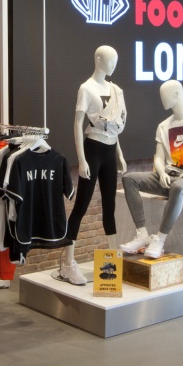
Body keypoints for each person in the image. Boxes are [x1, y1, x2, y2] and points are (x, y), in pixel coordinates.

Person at [119, 81, 183, 259]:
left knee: (178, 188)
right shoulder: (163, 126)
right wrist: (161, 173)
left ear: (177, 94)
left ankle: (159, 239)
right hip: (167, 176)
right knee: (129, 179)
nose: (161, 99)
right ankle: (142, 235)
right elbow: (158, 157)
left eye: (165, 94)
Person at [58, 46, 127, 285]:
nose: (114, 65)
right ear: (98, 59)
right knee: (81, 207)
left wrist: (119, 153)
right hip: (93, 149)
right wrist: (82, 159)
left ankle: (114, 263)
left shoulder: (115, 89)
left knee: (110, 207)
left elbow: (115, 126)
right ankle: (68, 263)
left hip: (109, 149)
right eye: (111, 60)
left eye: (116, 60)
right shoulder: (86, 89)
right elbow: (77, 124)